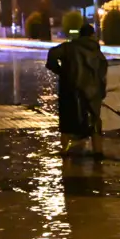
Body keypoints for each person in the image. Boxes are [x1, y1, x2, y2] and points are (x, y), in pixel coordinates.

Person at [45, 24, 108, 158]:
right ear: (92, 35)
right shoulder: (97, 52)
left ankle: (65, 149)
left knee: (67, 120)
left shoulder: (68, 47)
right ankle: (98, 150)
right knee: (94, 121)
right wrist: (101, 91)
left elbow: (52, 54)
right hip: (92, 92)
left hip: (70, 89)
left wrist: (60, 71)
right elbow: (102, 73)